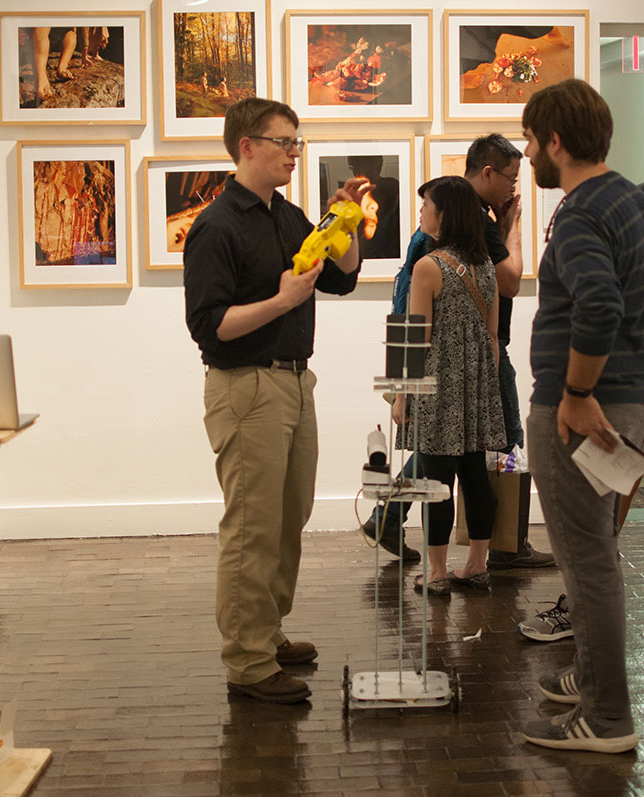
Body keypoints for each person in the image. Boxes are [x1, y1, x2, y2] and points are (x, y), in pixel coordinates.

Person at [519, 78, 644, 753]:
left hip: (579, 412)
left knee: (586, 562)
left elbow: (598, 304)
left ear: (556, 142)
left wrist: (575, 391)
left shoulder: (583, 211)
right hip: (621, 402)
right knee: (598, 556)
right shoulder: (634, 200)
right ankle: (593, 679)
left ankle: (607, 717)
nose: (527, 150)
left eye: (531, 138)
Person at [184, 98, 371, 704]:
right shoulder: (217, 227)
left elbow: (340, 276)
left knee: (290, 515)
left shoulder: (287, 216)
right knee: (251, 526)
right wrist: (283, 302)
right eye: (284, 142)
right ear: (247, 146)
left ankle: (267, 631)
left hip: (295, 381)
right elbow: (211, 327)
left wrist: (344, 218)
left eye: (297, 142)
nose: (295, 152)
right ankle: (247, 661)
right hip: (247, 387)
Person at [362, 134, 555, 569]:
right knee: (488, 454)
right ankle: (499, 548)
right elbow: (509, 284)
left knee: (444, 462)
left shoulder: (441, 245)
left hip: (440, 371)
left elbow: (410, 324)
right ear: (487, 173)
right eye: (510, 176)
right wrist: (514, 228)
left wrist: (402, 386)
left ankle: (429, 546)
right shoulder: (474, 232)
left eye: (424, 209)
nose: (513, 187)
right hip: (470, 369)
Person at [391, 176, 506, 594]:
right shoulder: (486, 266)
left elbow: (414, 336)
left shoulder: (428, 266)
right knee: (475, 476)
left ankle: (437, 570)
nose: (421, 212)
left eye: (426, 206)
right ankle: (477, 563)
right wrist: (484, 387)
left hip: (437, 388)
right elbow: (492, 337)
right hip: (475, 386)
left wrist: (402, 392)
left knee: (436, 480)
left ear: (444, 214)